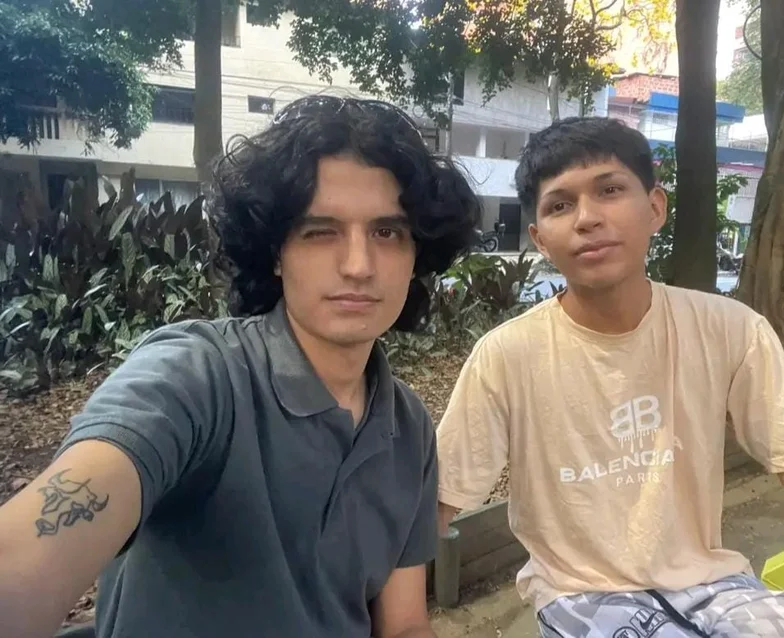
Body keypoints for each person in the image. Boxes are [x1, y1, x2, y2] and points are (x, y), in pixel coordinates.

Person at [0, 95, 480, 638]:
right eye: (320, 231)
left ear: (417, 255)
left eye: (386, 233)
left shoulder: (408, 429)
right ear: (275, 253)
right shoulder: (198, 377)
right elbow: (36, 549)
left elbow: (404, 624)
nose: (358, 265)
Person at [435, 117, 784, 637]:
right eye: (560, 205)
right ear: (539, 238)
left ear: (655, 208)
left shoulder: (730, 330)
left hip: (715, 585)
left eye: (609, 190)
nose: (587, 218)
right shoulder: (506, 356)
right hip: (581, 594)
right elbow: (438, 504)